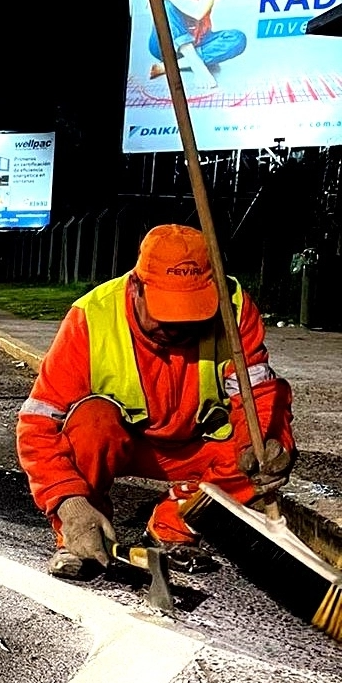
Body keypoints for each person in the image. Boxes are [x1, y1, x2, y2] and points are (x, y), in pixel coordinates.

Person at [16, 224, 296, 578]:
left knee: (255, 445)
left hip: (198, 447)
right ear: (136, 287)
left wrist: (270, 445)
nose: (176, 328)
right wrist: (68, 503)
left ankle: (172, 528)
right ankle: (79, 537)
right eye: (167, 313)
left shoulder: (234, 309)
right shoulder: (93, 317)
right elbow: (38, 425)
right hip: (126, 443)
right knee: (91, 422)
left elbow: (259, 397)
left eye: (190, 314)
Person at [147, 0, 246, 89]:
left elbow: (198, 12)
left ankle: (170, 66)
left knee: (238, 38)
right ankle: (196, 64)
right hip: (165, 45)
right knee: (165, 6)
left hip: (199, 41)